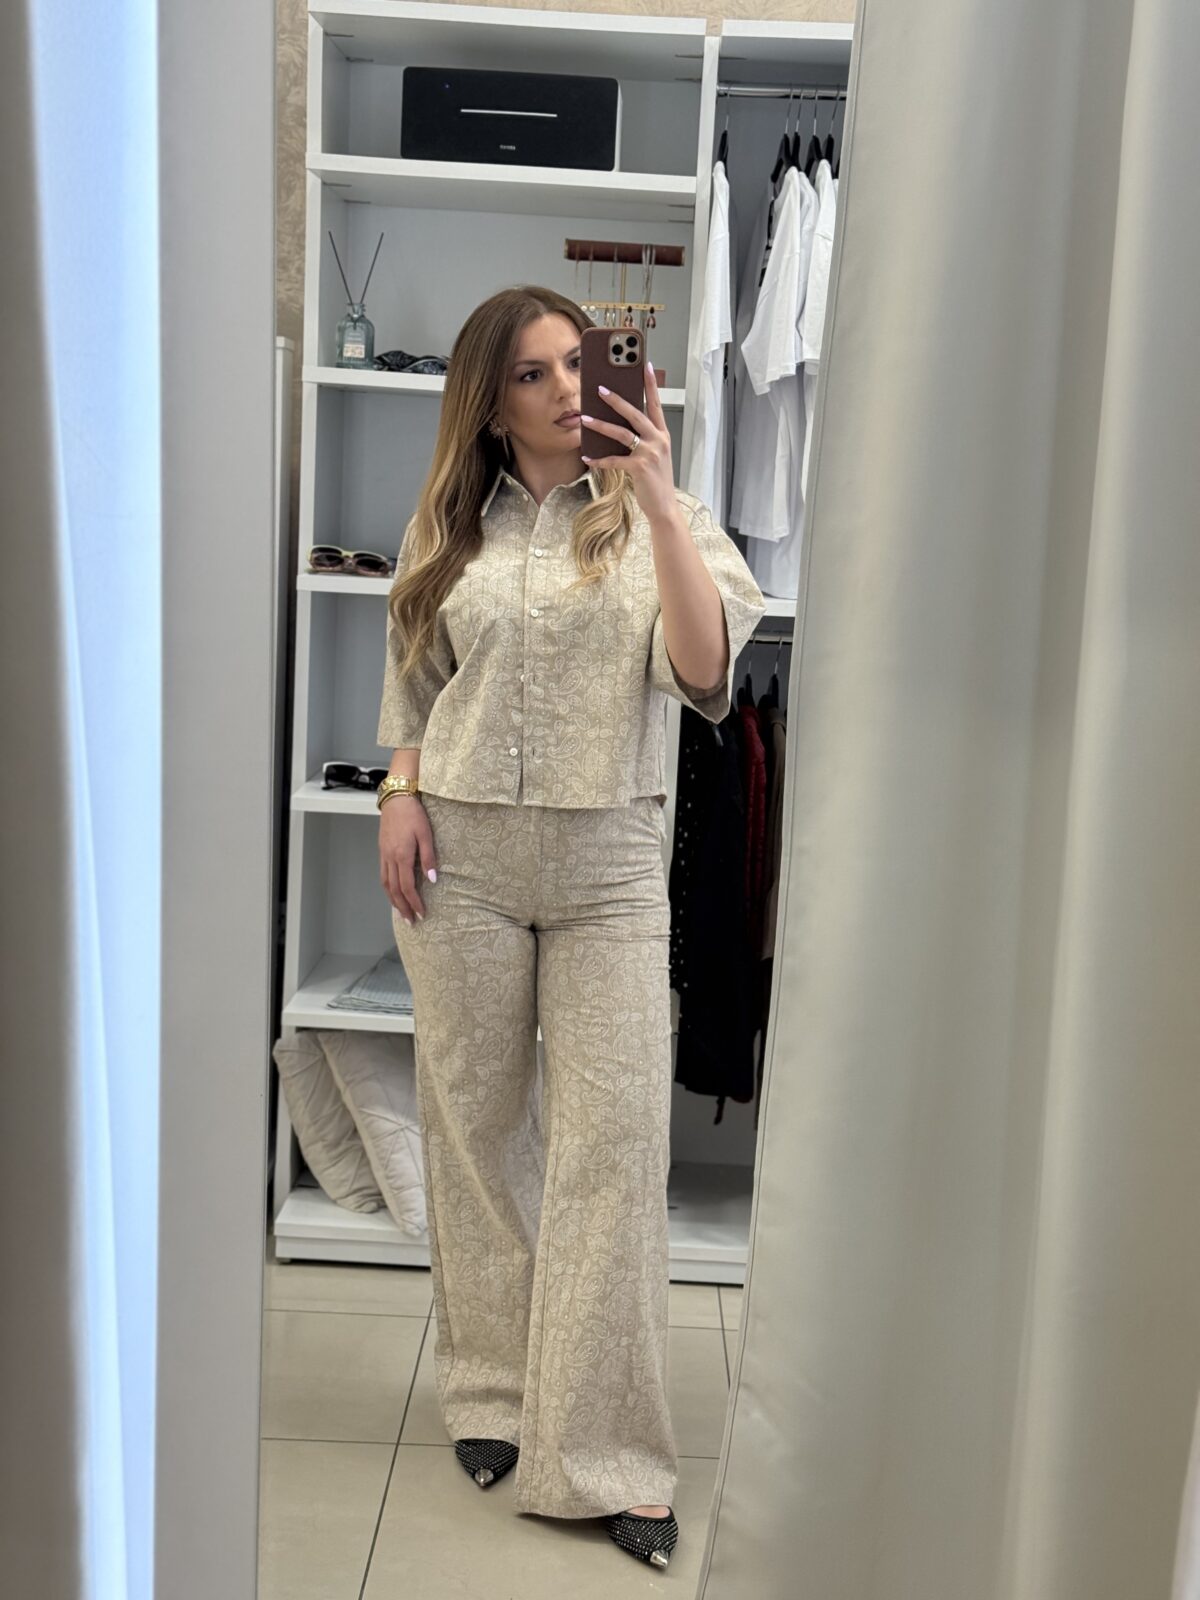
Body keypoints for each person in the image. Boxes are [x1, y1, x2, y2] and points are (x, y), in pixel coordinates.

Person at [374, 285, 764, 1571]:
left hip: (608, 871)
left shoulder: (662, 515)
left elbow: (704, 675)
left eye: (574, 366)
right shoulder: (449, 525)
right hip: (465, 863)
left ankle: (606, 1453)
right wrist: (397, 792)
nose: (562, 391)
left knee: (613, 1153)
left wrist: (657, 495)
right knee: (477, 1131)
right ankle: (492, 1390)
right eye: (532, 374)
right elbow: (417, 683)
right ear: (491, 403)